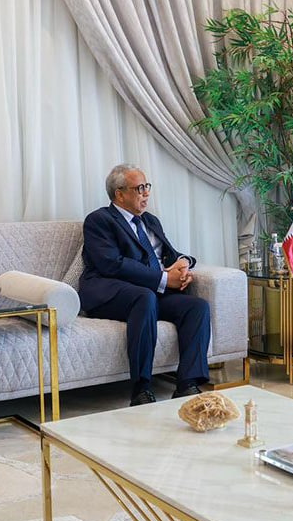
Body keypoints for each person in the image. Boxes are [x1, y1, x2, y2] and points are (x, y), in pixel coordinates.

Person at [79, 164, 211, 406]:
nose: (146, 193)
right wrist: (164, 279)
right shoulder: (99, 220)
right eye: (139, 188)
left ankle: (187, 384)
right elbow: (112, 264)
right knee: (144, 297)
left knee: (197, 307)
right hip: (110, 292)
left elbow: (170, 255)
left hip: (149, 293)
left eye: (147, 186)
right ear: (120, 194)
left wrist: (184, 264)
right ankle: (141, 388)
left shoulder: (150, 221)